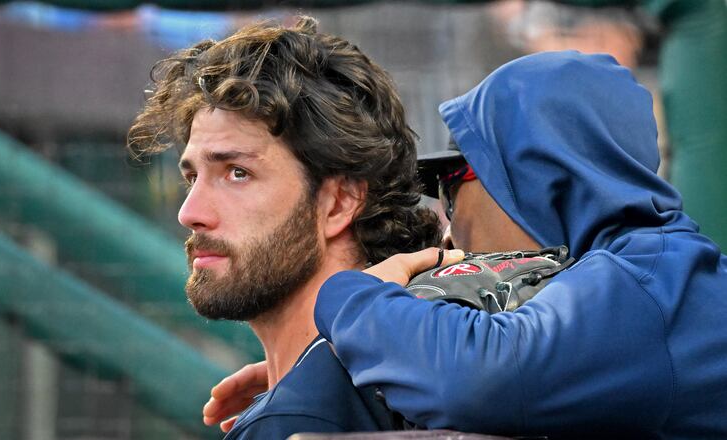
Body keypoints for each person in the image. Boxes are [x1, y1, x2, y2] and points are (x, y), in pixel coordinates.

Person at [204, 51, 727, 439]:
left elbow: (484, 377)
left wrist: (352, 303)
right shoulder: (654, 284)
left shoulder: (652, 283)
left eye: (451, 180)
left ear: (536, 176)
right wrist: (361, 366)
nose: (445, 220)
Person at [127, 16, 448, 439]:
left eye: (237, 172)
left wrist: (301, 399)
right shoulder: (434, 380)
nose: (190, 212)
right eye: (192, 177)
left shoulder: (299, 422)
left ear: (340, 201)